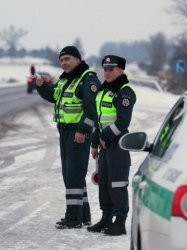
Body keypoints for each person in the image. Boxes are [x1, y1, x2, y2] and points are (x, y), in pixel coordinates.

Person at [36, 46, 100, 229]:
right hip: (64, 132)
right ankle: (84, 216)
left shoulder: (87, 79)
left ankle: (73, 219)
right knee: (73, 175)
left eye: (68, 59)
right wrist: (42, 87)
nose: (64, 63)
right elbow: (54, 96)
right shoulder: (66, 80)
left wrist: (83, 130)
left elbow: (92, 109)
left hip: (77, 133)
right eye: (61, 60)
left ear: (78, 60)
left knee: (73, 175)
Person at [87, 55, 136, 236]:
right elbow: (98, 120)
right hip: (103, 146)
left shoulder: (125, 92)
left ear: (121, 70)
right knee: (104, 185)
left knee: (117, 184)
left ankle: (120, 222)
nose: (107, 72)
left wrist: (104, 136)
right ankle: (106, 218)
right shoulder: (103, 91)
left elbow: (122, 122)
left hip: (118, 145)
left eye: (111, 69)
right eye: (105, 69)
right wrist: (94, 143)